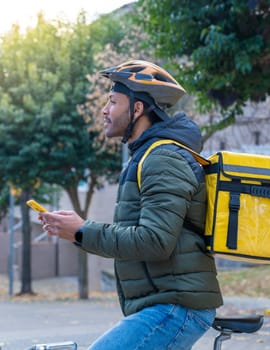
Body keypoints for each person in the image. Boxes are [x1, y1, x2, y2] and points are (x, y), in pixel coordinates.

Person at [39, 60, 223, 349]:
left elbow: (154, 241)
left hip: (176, 307)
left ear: (137, 109)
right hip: (166, 303)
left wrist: (81, 230)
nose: (104, 110)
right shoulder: (147, 156)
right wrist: (78, 230)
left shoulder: (163, 158)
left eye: (113, 102)